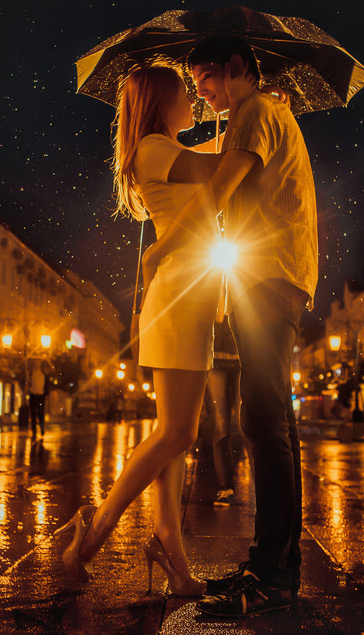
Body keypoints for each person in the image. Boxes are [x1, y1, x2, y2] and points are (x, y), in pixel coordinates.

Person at [142, 34, 318, 616]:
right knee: (269, 420)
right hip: (273, 275)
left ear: (239, 67)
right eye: (195, 85)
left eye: (209, 78)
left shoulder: (257, 113)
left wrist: (162, 245)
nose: (202, 92)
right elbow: (230, 173)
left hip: (269, 277)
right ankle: (277, 568)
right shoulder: (259, 114)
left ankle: (271, 575)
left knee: (265, 420)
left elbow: (220, 186)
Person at [59, 65, 223, 597]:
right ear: (160, 102)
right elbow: (223, 170)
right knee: (179, 433)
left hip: (189, 294)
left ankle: (170, 549)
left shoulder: (163, 148)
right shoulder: (154, 148)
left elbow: (213, 155)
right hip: (179, 298)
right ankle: (92, 536)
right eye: (185, 94)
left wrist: (249, 117)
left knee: (174, 434)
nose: (194, 103)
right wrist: (252, 119)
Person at [205, 317, 241, 507]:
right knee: (221, 425)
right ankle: (225, 487)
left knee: (245, 424)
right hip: (215, 357)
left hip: (244, 356)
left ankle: (263, 488)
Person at [28, 360, 47, 438]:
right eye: (36, 364)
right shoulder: (31, 373)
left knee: (40, 413)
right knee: (33, 414)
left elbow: (46, 385)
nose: (37, 365)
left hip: (40, 396)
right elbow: (28, 383)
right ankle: (34, 430)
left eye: (38, 364)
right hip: (33, 395)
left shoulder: (43, 374)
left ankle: (42, 429)